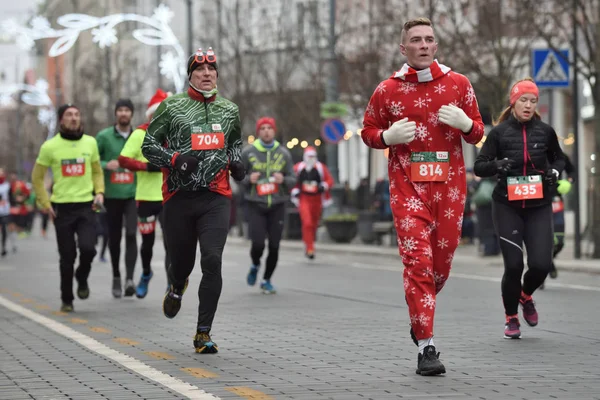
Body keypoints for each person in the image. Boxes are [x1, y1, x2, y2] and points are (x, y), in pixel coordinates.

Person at [360, 17, 484, 376]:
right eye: (416, 40)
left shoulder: (459, 84)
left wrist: (465, 124)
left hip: (450, 191)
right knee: (418, 264)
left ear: (437, 46)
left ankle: (419, 315)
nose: (424, 45)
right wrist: (387, 137)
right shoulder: (388, 89)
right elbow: (368, 130)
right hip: (407, 190)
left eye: (429, 39)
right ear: (404, 49)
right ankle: (427, 347)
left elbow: (477, 133)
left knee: (439, 269)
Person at [141, 47, 244, 354]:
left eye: (212, 70)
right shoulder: (172, 107)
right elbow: (148, 145)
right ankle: (176, 285)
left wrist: (238, 163)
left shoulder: (230, 110)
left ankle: (203, 333)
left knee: (212, 260)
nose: (207, 74)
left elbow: (235, 145)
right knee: (181, 263)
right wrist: (175, 158)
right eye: (200, 70)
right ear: (190, 75)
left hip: (216, 196)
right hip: (178, 198)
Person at [473, 78, 565, 339]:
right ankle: (511, 317)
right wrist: (497, 165)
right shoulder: (499, 133)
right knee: (514, 265)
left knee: (541, 264)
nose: (528, 105)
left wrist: (554, 172)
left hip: (538, 206)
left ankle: (525, 296)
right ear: (513, 102)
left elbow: (559, 158)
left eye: (533, 101)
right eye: (523, 100)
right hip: (507, 206)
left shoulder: (545, 131)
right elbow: (480, 166)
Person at [31, 104, 105, 312]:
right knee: (67, 256)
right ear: (61, 120)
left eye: (76, 114)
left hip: (86, 206)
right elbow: (36, 177)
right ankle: (67, 299)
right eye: (69, 115)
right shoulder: (50, 147)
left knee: (89, 249)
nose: (73, 118)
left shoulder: (90, 143)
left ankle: (81, 276)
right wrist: (45, 203)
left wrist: (99, 191)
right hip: (62, 208)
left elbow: (97, 171)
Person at [118, 89, 171, 298]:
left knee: (171, 242)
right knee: (147, 243)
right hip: (146, 198)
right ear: (150, 115)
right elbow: (123, 160)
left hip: (169, 197)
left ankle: (171, 285)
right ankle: (147, 273)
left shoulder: (175, 134)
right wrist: (146, 167)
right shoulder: (139, 134)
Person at [241, 117, 295, 294]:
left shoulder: (284, 153)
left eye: (269, 128)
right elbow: (237, 176)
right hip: (256, 204)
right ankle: (255, 264)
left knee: (274, 246)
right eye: (262, 128)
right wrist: (249, 179)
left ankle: (266, 280)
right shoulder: (249, 152)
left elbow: (293, 179)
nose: (266, 131)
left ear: (274, 131)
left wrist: (284, 180)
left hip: (277, 205)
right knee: (257, 244)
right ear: (258, 132)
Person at [96, 99, 138, 298]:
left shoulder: (139, 136)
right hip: (111, 195)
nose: (123, 113)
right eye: (120, 110)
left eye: (127, 110)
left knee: (131, 234)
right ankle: (116, 276)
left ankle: (130, 279)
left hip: (133, 194)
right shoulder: (104, 137)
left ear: (131, 114)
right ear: (115, 113)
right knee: (114, 238)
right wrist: (106, 164)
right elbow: (93, 161)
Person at [290, 146, 333, 260]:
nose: (311, 158)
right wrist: (295, 190)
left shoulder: (320, 167)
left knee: (313, 223)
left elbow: (329, 180)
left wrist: (324, 186)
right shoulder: (298, 167)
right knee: (307, 222)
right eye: (309, 156)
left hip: (317, 198)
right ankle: (310, 248)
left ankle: (309, 242)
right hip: (304, 198)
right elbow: (291, 179)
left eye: (313, 156)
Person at [541, 152, 576, 288]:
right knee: (542, 242)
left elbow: (572, 171)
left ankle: (549, 262)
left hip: (556, 202)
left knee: (559, 241)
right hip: (539, 203)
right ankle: (541, 274)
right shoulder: (532, 153)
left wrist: (569, 181)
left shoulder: (559, 156)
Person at [0, 168, 11, 257]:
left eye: (2, 173)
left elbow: (11, 197)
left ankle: (3, 247)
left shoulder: (7, 186)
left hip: (4, 211)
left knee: (4, 229)